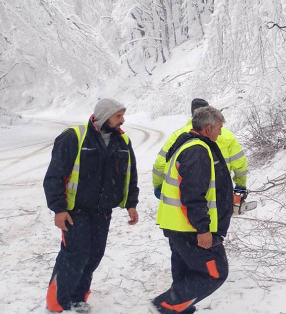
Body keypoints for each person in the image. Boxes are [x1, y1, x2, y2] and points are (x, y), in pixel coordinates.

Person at [43, 98, 140, 313]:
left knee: (94, 255)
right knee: (75, 255)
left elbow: (129, 175)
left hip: (102, 213)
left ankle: (78, 298)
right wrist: (59, 209)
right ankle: (57, 302)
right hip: (75, 212)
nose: (122, 120)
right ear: (105, 116)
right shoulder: (74, 137)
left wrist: (131, 203)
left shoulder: (122, 142)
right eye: (118, 116)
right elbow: (54, 176)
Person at [150, 106, 233, 314]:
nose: (221, 132)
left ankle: (177, 309)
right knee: (215, 273)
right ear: (207, 129)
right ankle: (164, 306)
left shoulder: (187, 143)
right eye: (219, 128)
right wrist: (203, 229)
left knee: (186, 272)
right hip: (191, 228)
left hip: (179, 225)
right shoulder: (197, 150)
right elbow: (193, 195)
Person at [152, 98, 248, 202]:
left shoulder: (178, 136)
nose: (219, 133)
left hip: (186, 194)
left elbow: (160, 164)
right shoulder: (227, 136)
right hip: (219, 194)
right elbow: (240, 164)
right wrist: (240, 186)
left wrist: (158, 186)